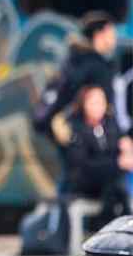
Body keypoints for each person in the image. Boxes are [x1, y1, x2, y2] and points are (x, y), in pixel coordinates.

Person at [55, 86, 133, 224]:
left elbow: (119, 148)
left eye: (101, 102)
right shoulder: (76, 129)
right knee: (117, 188)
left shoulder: (110, 124)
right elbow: (83, 166)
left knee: (116, 188)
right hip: (85, 183)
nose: (98, 107)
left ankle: (110, 227)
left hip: (109, 184)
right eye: (93, 103)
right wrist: (117, 163)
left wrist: (126, 148)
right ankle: (109, 226)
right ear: (83, 105)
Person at [34, 11, 119, 133]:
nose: (114, 37)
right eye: (111, 32)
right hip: (84, 134)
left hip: (56, 126)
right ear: (100, 34)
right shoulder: (98, 66)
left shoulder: (75, 58)